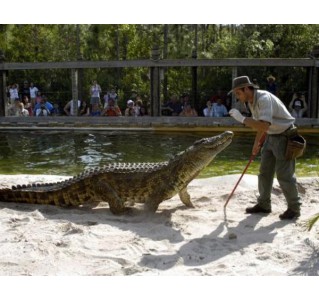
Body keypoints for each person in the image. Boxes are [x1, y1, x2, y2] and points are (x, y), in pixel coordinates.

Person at [228, 76, 301, 220]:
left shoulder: (264, 99)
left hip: (285, 136)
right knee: (264, 173)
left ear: (247, 88)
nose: (237, 96)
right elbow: (260, 126)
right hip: (270, 136)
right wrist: (256, 145)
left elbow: (263, 125)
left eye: (238, 93)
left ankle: (294, 208)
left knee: (284, 175)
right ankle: (264, 205)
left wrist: (241, 119)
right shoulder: (251, 102)